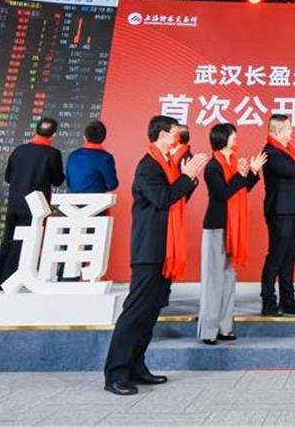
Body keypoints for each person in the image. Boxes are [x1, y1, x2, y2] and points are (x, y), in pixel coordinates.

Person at [103, 115, 207, 395]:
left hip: (164, 250)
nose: (177, 137)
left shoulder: (168, 165)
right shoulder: (148, 166)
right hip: (149, 249)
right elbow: (163, 198)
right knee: (135, 311)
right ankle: (115, 373)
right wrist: (187, 176)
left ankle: (136, 367)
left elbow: (177, 197)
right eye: (174, 132)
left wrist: (189, 178)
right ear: (162, 135)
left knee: (150, 313)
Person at [198, 122, 265, 345]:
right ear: (222, 138)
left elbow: (242, 188)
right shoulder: (212, 167)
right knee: (213, 280)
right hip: (217, 226)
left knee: (228, 278)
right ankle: (208, 331)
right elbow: (223, 193)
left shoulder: (234, 162)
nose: (236, 138)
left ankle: (225, 327)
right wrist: (241, 175)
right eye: (232, 135)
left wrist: (252, 172)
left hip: (234, 229)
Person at [0, 117, 65, 291]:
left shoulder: (19, 150)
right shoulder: (52, 154)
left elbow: (8, 177)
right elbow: (57, 180)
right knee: (24, 245)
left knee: (8, 241)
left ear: (35, 130)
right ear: (53, 135)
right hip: (35, 205)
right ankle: (10, 284)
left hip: (14, 202)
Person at [260, 113, 295, 316]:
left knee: (289, 258)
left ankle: (288, 300)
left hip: (293, 210)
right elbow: (292, 170)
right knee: (276, 257)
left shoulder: (288, 151)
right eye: (288, 129)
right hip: (281, 212)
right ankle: (268, 302)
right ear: (277, 131)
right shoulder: (271, 153)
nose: (291, 132)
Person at [66, 120, 120, 194]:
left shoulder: (72, 156)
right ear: (103, 138)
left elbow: (69, 183)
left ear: (85, 137)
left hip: (73, 199)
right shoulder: (105, 158)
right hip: (97, 200)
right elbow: (112, 184)